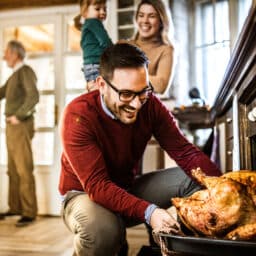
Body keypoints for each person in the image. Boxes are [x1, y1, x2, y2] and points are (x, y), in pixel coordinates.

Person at [59, 43, 221, 256]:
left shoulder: (150, 104)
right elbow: (98, 186)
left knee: (195, 178)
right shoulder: (78, 116)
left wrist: (223, 187)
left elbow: (185, 152)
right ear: (102, 85)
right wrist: (151, 213)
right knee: (103, 232)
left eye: (142, 91)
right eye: (126, 94)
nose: (136, 104)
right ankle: (112, 235)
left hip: (125, 188)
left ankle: (181, 250)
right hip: (83, 194)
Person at [0, 40, 39, 227]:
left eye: (6, 52)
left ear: (16, 54)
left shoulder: (25, 71)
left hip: (20, 125)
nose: (4, 56)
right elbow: (1, 92)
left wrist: (19, 115)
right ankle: (16, 207)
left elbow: (34, 96)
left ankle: (29, 211)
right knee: (13, 169)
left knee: (24, 168)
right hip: (11, 127)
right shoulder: (15, 74)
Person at [125, 0, 176, 97]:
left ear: (161, 21)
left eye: (151, 16)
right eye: (141, 15)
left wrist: (127, 73)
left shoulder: (166, 49)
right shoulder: (124, 45)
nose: (145, 21)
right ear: (136, 19)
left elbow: (161, 86)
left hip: (146, 108)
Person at [74, 0, 113, 92]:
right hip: (97, 65)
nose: (103, 12)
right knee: (102, 94)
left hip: (89, 66)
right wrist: (117, 51)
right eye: (97, 9)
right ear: (85, 11)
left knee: (95, 94)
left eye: (105, 9)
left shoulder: (87, 25)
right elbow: (106, 41)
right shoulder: (94, 22)